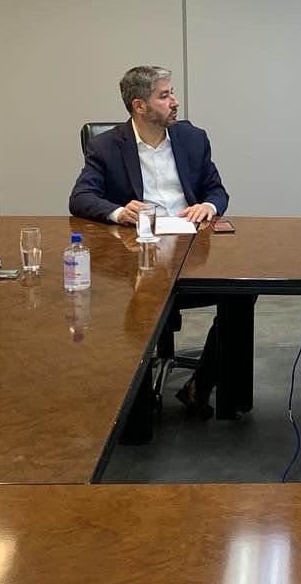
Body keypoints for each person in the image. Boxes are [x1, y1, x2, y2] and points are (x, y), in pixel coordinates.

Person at [69, 65, 234, 416]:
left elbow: (216, 189)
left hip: (191, 252)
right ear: (139, 105)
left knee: (239, 294)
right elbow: (81, 197)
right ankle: (137, 408)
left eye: (172, 93)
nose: (175, 102)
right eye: (164, 95)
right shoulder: (106, 146)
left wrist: (207, 205)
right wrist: (119, 212)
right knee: (137, 302)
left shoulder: (193, 138)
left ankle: (201, 385)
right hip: (137, 255)